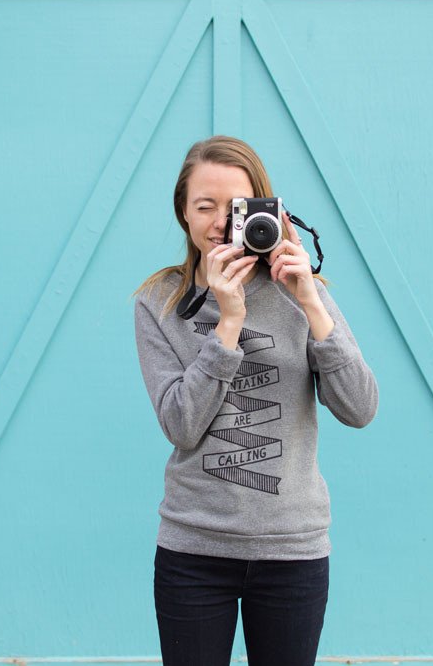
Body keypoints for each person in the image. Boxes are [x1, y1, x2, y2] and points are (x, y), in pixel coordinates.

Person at [133, 135, 379, 666]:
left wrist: (310, 300)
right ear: (182, 212)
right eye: (205, 206)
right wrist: (228, 323)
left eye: (237, 208)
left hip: (291, 550)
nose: (222, 222)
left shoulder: (302, 292)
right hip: (193, 549)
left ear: (269, 211)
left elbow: (359, 407)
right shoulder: (159, 303)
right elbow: (180, 423)